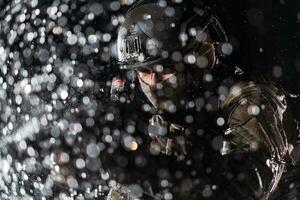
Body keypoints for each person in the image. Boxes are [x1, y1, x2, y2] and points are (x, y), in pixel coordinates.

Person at [110, 0, 300, 199]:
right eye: (144, 71)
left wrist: (152, 180)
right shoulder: (167, 122)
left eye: (165, 68)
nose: (153, 82)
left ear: (198, 59)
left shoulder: (249, 101)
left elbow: (248, 183)